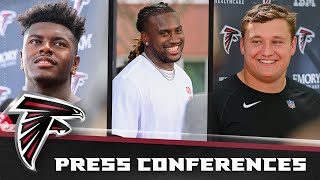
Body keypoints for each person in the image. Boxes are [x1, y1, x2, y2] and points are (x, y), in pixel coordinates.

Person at [210, 4, 320, 138]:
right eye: (256, 42)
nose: (267, 52)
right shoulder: (213, 103)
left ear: (292, 46)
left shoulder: (313, 102)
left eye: (277, 42)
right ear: (242, 45)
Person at [112, 2, 193, 139]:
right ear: (146, 38)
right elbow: (119, 147)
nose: (174, 39)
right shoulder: (128, 82)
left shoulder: (184, 78)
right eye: (164, 33)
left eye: (178, 31)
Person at [18, 2, 85, 105]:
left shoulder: (97, 116)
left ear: (75, 64)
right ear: (22, 59)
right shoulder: (4, 117)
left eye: (58, 44)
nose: (45, 48)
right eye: (36, 41)